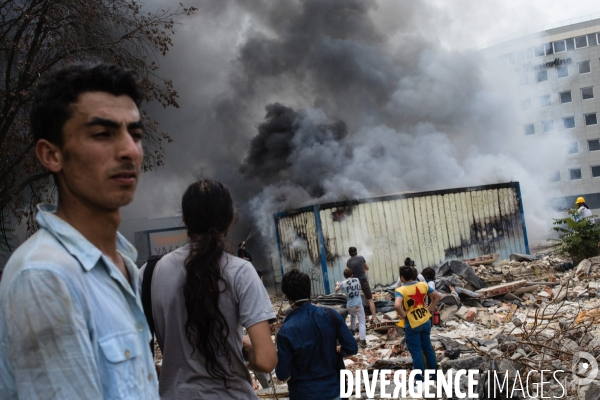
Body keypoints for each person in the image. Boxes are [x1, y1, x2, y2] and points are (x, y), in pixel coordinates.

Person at [0, 63, 159, 399]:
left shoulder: (123, 266)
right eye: (103, 134)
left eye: (136, 134)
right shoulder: (45, 276)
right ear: (51, 155)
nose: (130, 150)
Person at [144, 180, 277, 399]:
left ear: (185, 220)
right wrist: (247, 347)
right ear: (231, 220)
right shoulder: (241, 272)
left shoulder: (151, 272)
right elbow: (265, 361)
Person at [276, 269, 358, 400]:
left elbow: (282, 374)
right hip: (334, 392)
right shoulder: (331, 315)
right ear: (309, 290)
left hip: (303, 394)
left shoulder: (285, 331)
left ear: (286, 295)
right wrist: (334, 350)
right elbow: (352, 347)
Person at [395, 266, 441, 387]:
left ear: (402, 277)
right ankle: (434, 377)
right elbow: (437, 296)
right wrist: (428, 310)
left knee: (416, 352)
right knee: (428, 349)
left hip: (412, 323)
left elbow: (397, 305)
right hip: (425, 321)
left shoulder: (401, 290)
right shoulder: (423, 285)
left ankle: (420, 381)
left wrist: (404, 315)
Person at [335, 268, 367, 348]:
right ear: (352, 274)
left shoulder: (343, 283)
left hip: (350, 306)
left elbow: (336, 290)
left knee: (353, 316)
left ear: (344, 276)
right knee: (362, 322)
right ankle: (362, 341)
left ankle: (352, 333)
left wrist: (337, 284)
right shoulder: (356, 279)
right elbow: (360, 288)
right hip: (358, 305)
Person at [346, 246, 379, 323]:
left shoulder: (348, 262)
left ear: (349, 254)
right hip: (363, 281)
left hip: (354, 283)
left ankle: (360, 319)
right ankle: (374, 318)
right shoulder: (361, 258)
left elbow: (349, 273)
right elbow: (367, 268)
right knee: (370, 300)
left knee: (356, 300)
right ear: (356, 252)